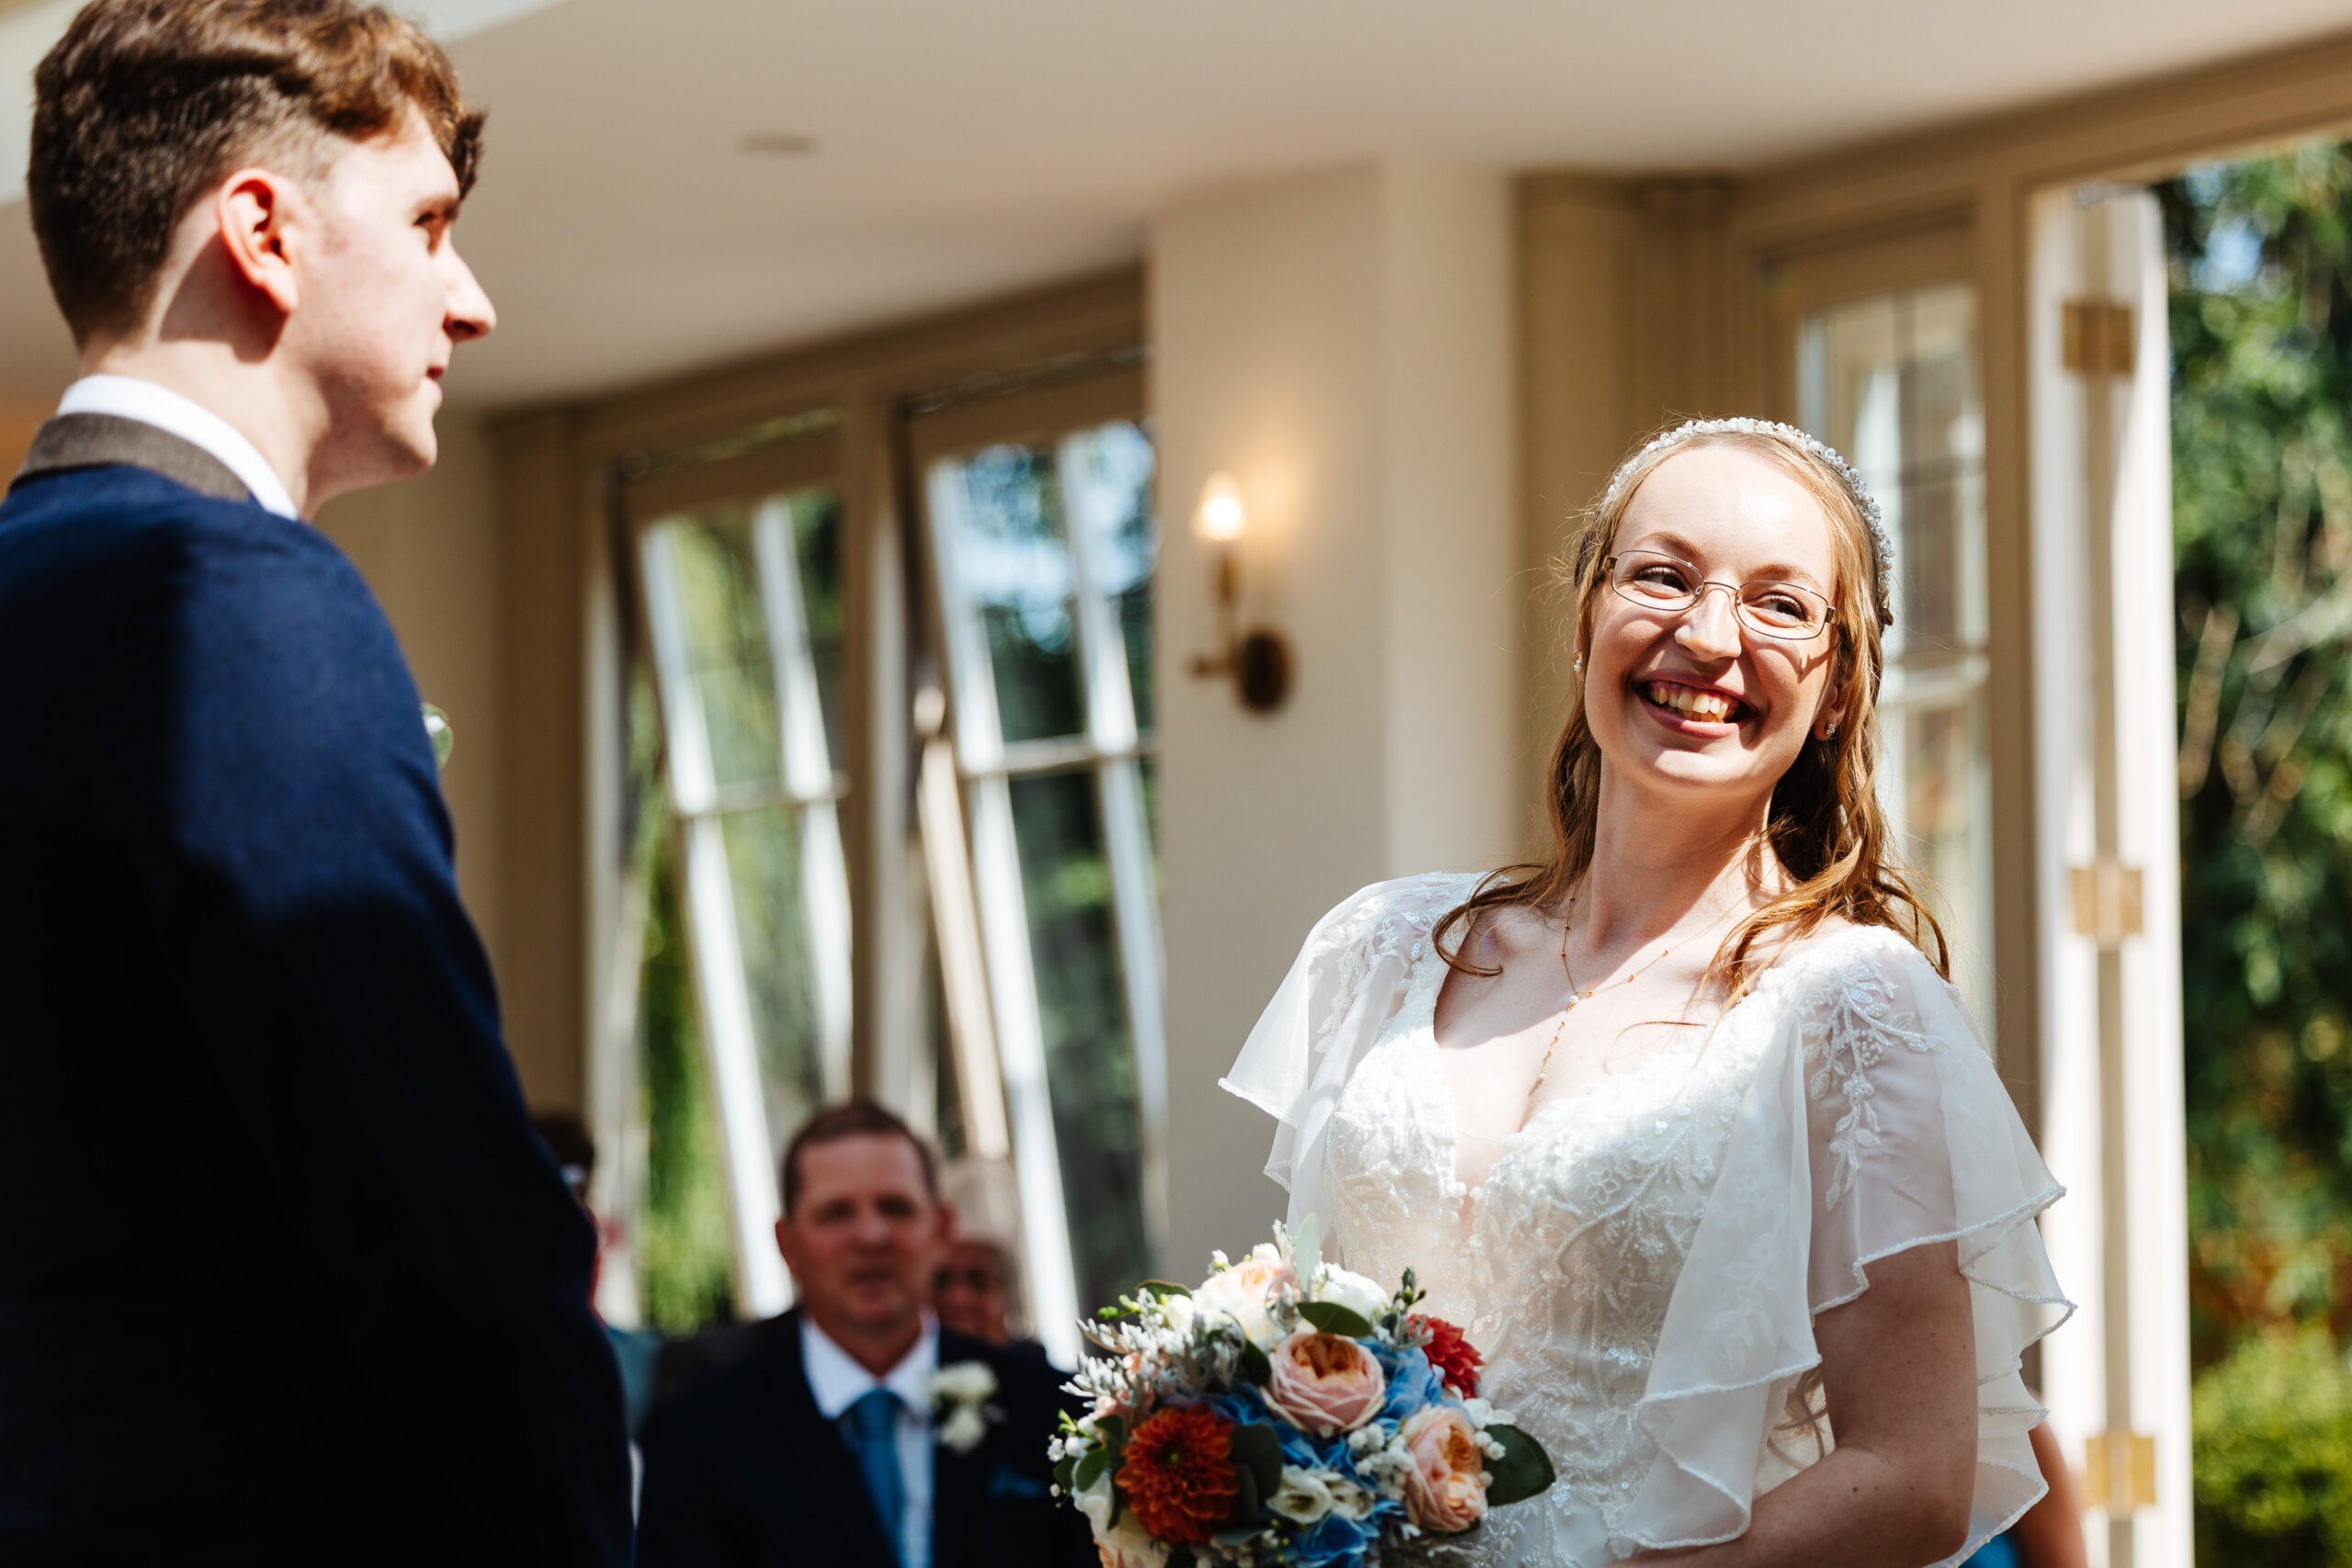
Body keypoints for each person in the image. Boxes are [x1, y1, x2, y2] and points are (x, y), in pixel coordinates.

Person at [0, 2, 629, 1562]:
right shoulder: (235, 600)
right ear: (265, 230)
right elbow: (431, 1209)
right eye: (428, 224)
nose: (470, 302)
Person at [1224, 418, 2070, 1567]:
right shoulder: (1384, 944)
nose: (1707, 635)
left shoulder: (1855, 1008)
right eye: (1663, 576)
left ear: (1835, 693)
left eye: (1780, 605)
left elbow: (1914, 1479)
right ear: (1585, 624)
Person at [636, 1102, 1093, 1568]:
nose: (872, 1235)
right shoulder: (700, 1440)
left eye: (895, 1208)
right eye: (837, 1214)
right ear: (788, 1245)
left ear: (941, 1230)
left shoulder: (1057, 1416)